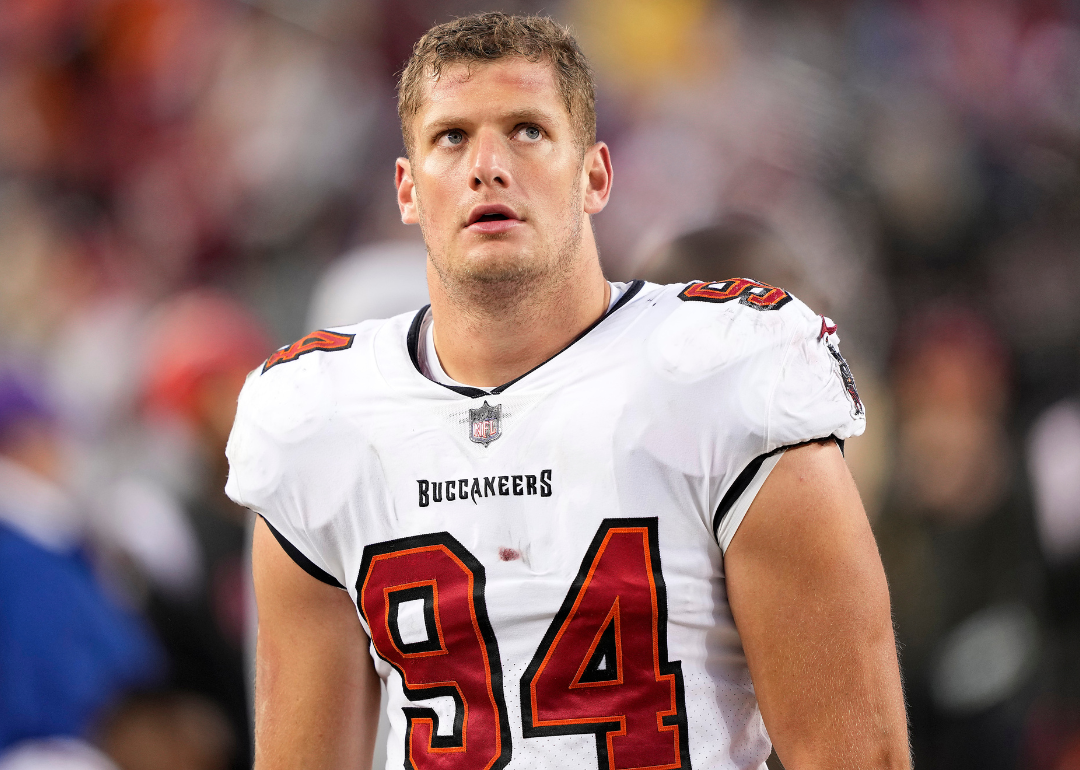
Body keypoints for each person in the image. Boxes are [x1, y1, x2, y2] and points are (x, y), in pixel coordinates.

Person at [226, 12, 909, 770]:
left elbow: (856, 757)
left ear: (596, 175)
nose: (487, 165)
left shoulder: (723, 375)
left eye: (527, 130)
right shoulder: (319, 419)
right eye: (451, 137)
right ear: (407, 188)